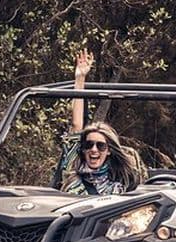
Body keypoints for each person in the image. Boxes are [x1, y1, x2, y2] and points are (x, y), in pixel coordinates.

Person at [59, 49, 141, 195]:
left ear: (109, 150)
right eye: (88, 145)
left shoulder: (120, 184)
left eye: (101, 146)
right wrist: (80, 79)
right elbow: (76, 125)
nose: (94, 150)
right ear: (82, 148)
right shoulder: (73, 170)